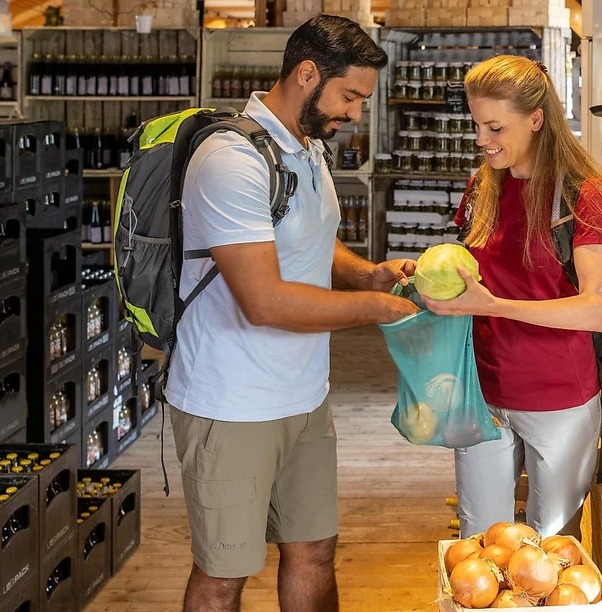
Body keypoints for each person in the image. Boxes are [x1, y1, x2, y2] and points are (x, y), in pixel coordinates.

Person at [164, 15, 418, 612]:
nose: (356, 113)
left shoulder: (306, 148)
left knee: (314, 551)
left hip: (304, 396)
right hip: (232, 403)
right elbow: (265, 301)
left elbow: (310, 240)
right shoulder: (231, 158)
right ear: (307, 74)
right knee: (225, 573)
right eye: (350, 95)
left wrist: (368, 273)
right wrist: (378, 308)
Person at [425, 55, 602, 539]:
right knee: (481, 544)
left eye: (495, 128)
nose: (482, 140)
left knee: (552, 548)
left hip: (559, 401)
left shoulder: (584, 193)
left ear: (536, 119)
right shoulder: (482, 187)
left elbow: (596, 310)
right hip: (484, 393)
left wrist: (492, 307)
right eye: (477, 126)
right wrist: (433, 281)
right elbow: (480, 273)